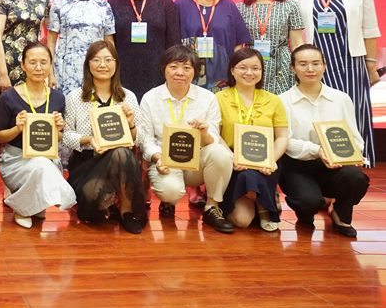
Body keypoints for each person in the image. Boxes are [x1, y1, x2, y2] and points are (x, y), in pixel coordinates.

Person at [287, 0, 380, 166]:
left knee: (353, 111)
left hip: (350, 62)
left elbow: (369, 27)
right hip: (314, 63)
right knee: (317, 111)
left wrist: (370, 64)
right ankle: (321, 159)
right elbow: (295, 31)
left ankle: (355, 160)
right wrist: (299, 64)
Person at [139, 45, 234, 233]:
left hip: (196, 163)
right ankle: (168, 202)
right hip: (165, 162)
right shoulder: (150, 98)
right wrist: (158, 159)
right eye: (174, 67)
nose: (180, 73)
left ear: (195, 72)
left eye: (187, 68)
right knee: (170, 191)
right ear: (164, 69)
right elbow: (146, 140)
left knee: (221, 153)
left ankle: (211, 207)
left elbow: (213, 139)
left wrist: (205, 133)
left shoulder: (208, 98)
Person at [279, 45, 370, 237]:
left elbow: (354, 137)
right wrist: (317, 150)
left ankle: (341, 213)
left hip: (335, 165)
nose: (310, 69)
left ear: (324, 66)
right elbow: (285, 142)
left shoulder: (341, 99)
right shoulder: (282, 101)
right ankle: (306, 213)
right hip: (298, 166)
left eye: (316, 64)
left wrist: (352, 153)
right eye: (303, 64)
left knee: (356, 177)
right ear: (293, 68)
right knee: (308, 201)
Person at [62, 40, 147, 233]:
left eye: (108, 59)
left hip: (121, 161)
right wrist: (89, 140)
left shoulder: (127, 97)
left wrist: (131, 123)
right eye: (96, 60)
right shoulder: (75, 97)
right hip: (86, 162)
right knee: (93, 199)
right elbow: (66, 136)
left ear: (116, 64)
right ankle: (109, 201)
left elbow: (141, 138)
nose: (103, 65)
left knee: (121, 152)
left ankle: (126, 211)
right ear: (88, 64)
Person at [0, 42, 76, 229]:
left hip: (47, 157)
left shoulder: (58, 98)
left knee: (43, 162)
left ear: (50, 65)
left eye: (43, 62)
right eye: (32, 62)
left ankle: (34, 203)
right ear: (23, 65)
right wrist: (17, 129)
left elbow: (57, 138)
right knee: (41, 164)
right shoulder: (9, 97)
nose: (38, 68)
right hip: (16, 159)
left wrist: (58, 129)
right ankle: (23, 208)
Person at [215, 48, 288, 231]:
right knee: (242, 221)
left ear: (262, 71)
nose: (249, 73)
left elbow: (282, 137)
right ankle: (265, 200)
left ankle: (263, 207)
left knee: (252, 176)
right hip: (233, 161)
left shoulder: (274, 100)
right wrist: (231, 157)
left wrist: (271, 160)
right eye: (243, 67)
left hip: (265, 161)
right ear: (232, 70)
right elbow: (216, 135)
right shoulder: (218, 98)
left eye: (255, 68)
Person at [108, 0, 181, 101]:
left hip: (157, 73)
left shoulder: (164, 2)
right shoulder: (113, 3)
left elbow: (173, 42)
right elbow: (109, 42)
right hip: (123, 73)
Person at [175, 0, 252, 92]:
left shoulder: (229, 6)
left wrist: (235, 71)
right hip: (187, 75)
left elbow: (239, 44)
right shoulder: (180, 5)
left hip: (222, 76)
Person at [48, 0, 114, 96]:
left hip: (98, 68)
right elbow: (51, 41)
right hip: (66, 71)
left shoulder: (104, 6)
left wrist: (111, 69)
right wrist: (50, 73)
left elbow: (109, 41)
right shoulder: (59, 4)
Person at [236, 0, 304, 95]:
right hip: (250, 66)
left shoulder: (290, 6)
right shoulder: (240, 8)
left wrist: (302, 66)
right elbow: (237, 45)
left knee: (281, 103)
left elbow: (296, 43)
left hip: (282, 65)